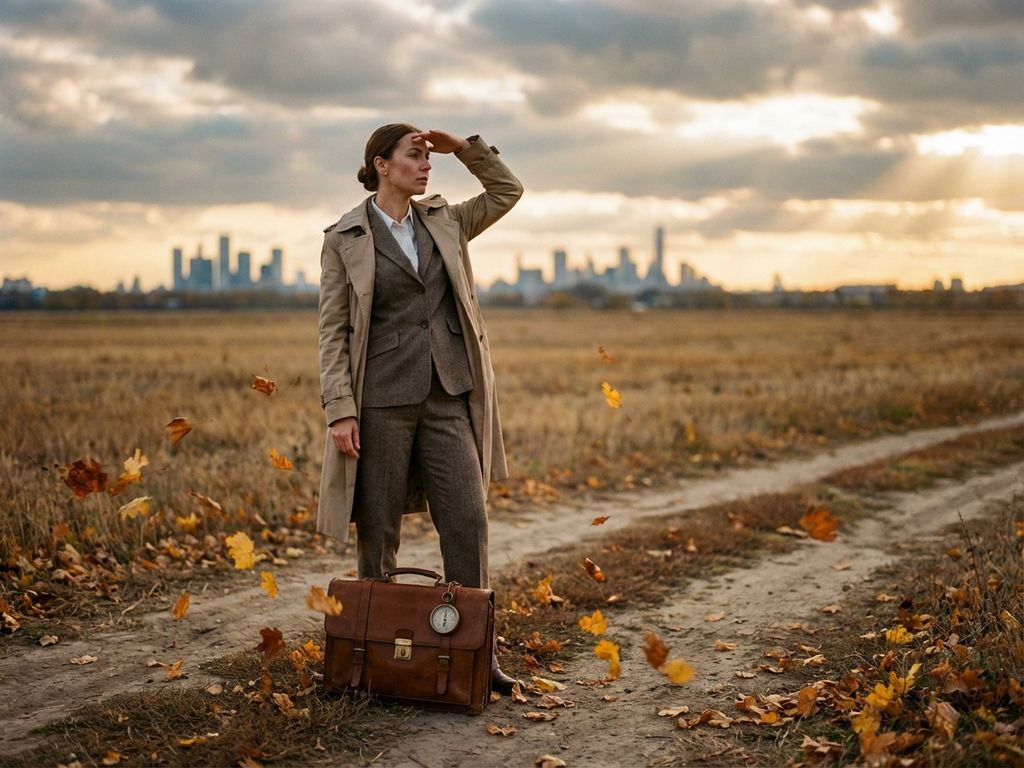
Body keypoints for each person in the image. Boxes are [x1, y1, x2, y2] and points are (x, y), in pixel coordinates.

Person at [316, 123, 524, 694]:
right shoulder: (345, 237)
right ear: (382, 165)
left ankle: (477, 658)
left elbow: (507, 191)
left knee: (467, 522)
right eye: (416, 155)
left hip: (449, 395)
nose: (426, 165)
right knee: (378, 533)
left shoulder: (446, 221)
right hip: (379, 401)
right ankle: (371, 656)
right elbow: (333, 331)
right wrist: (340, 409)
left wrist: (464, 150)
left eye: (429, 157)